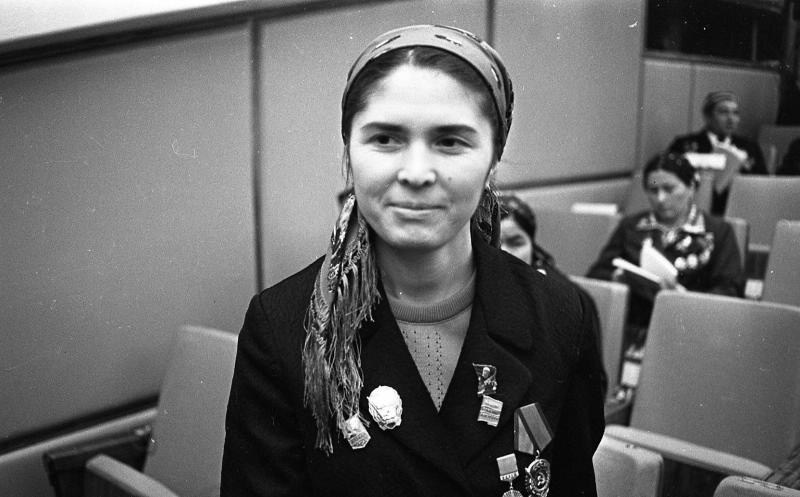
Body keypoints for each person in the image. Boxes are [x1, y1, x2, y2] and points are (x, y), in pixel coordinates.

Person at [222, 25, 604, 497]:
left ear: (493, 160)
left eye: (450, 141)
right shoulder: (282, 327)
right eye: (385, 138)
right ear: (349, 150)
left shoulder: (560, 315)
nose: (416, 173)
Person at [587, 152, 744, 350]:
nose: (660, 198)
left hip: (694, 331)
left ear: (691, 187)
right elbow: (596, 274)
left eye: (669, 189)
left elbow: (730, 290)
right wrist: (616, 278)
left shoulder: (717, 231)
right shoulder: (632, 226)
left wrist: (686, 299)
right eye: (653, 190)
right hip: (636, 328)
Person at [499, 194, 608, 397]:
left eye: (516, 243)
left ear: (532, 245)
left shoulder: (570, 301)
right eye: (494, 243)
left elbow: (591, 390)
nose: (504, 253)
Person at [668, 91, 767, 215]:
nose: (731, 119)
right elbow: (668, 177)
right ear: (707, 116)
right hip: (693, 207)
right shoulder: (684, 144)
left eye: (735, 113)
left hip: (738, 208)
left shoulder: (749, 147)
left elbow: (763, 182)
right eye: (723, 112)